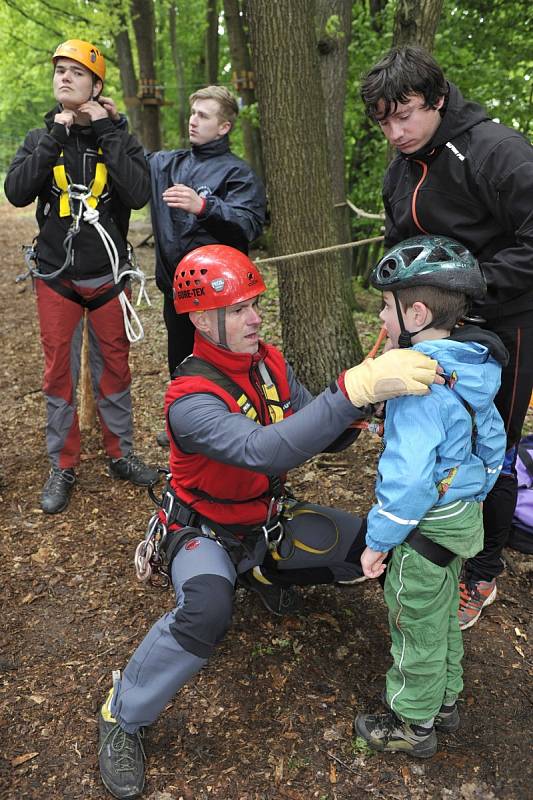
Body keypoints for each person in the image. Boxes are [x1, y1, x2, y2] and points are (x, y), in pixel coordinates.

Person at [97, 244, 443, 799]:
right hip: (203, 533)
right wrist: (351, 391)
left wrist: (367, 407)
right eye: (238, 310)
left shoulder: (269, 363)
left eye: (254, 304)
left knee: (373, 547)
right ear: (201, 318)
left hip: (266, 523)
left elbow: (314, 426)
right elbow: (265, 450)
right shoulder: (189, 400)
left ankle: (261, 574)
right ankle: (123, 713)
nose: (255, 317)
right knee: (208, 609)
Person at [360, 45, 533, 629]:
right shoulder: (400, 170)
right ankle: (429, 540)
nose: (395, 131)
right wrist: (395, 317)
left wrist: (474, 286)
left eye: (405, 113)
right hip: (427, 325)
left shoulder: (497, 152)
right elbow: (398, 245)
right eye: (384, 120)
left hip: (507, 320)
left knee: (494, 446)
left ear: (436, 98)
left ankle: (480, 574)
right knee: (427, 436)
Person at [354, 235, 506, 758]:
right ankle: (445, 700)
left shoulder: (416, 386)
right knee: (442, 614)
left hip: (425, 528)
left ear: (417, 313)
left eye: (385, 307)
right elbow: (492, 442)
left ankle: (412, 724)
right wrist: (474, 492)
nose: (380, 318)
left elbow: (409, 479)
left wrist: (379, 540)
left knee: (413, 621)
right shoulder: (473, 369)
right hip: (462, 516)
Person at [4, 39, 159, 514]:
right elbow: (16, 191)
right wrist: (56, 132)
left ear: (96, 85)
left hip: (109, 275)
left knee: (114, 368)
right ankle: (63, 464)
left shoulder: (118, 135)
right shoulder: (39, 138)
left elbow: (137, 194)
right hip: (56, 275)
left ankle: (121, 455)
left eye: (76, 72)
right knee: (59, 373)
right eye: (60, 72)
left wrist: (109, 129)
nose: (65, 78)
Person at [148, 85, 266, 446]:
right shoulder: (168, 164)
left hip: (222, 300)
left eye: (203, 115)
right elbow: (130, 161)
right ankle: (185, 427)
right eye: (192, 113)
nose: (193, 121)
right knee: (182, 365)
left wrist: (204, 207)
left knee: (227, 364)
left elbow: (247, 225)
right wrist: (111, 122)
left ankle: (233, 430)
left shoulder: (238, 174)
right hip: (177, 294)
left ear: (225, 127)